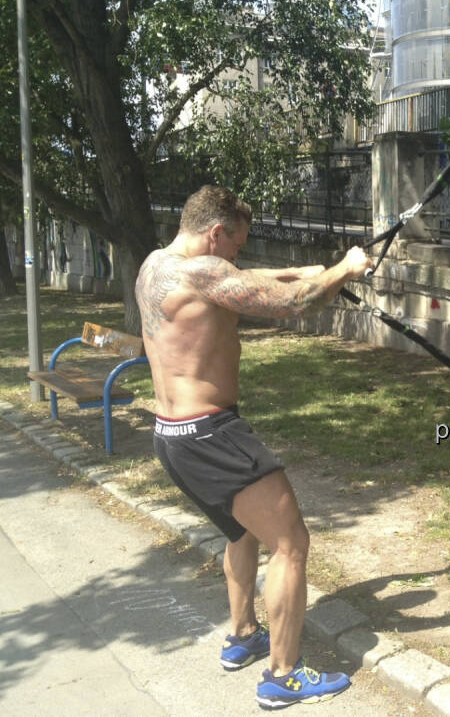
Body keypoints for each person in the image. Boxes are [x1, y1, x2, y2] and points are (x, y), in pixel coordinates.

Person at [135, 185, 373, 709]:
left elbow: (248, 282)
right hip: (210, 435)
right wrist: (344, 273)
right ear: (216, 233)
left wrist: (318, 269)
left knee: (242, 530)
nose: (238, 257)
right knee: (291, 543)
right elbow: (287, 305)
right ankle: (282, 676)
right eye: (237, 245)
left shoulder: (156, 265)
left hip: (171, 436)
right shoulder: (204, 271)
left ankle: (242, 634)